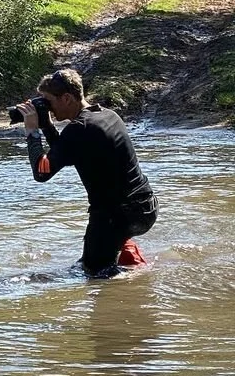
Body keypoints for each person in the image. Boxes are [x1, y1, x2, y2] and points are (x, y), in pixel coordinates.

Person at [18, 68, 158, 278]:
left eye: (48, 102)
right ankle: (129, 261)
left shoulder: (79, 129)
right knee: (97, 259)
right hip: (145, 208)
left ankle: (129, 278)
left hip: (116, 216)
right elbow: (66, 152)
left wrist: (32, 131)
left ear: (66, 98)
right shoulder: (107, 115)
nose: (47, 108)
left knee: (94, 274)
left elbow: (41, 172)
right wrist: (47, 124)